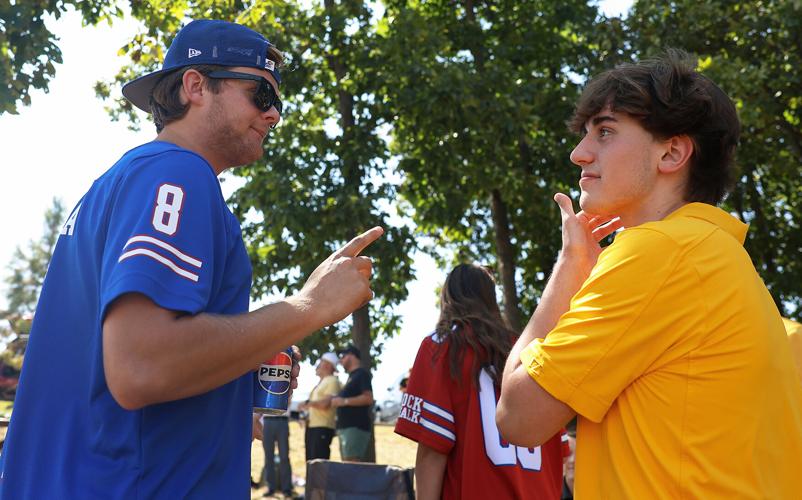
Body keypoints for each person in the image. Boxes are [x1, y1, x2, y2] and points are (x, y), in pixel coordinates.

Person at [0, 19, 383, 498]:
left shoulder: (125, 180)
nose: (274, 115)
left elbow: (118, 380)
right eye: (261, 94)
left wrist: (229, 388)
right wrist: (308, 308)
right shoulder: (177, 174)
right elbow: (142, 367)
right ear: (196, 85)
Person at [496, 50, 802, 498]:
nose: (579, 154)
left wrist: (570, 268)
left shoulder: (659, 252)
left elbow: (517, 418)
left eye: (605, 132)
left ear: (672, 151)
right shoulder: (719, 257)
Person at [395, 264, 567, 499]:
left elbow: (432, 450)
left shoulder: (442, 346)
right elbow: (559, 450)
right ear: (491, 299)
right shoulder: (527, 350)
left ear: (448, 298)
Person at [330, 344, 373, 462]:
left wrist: (343, 401)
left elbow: (368, 398)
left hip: (355, 427)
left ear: (351, 355)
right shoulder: (351, 377)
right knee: (348, 465)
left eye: (342, 356)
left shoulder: (362, 374)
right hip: (346, 428)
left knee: (351, 466)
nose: (340, 360)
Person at [299, 352, 341, 460]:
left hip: (322, 427)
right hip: (313, 427)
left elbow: (325, 404)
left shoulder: (332, 381)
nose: (318, 365)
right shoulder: (322, 382)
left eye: (321, 362)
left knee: (318, 463)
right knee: (311, 462)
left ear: (328, 365)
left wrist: (308, 404)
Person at [262, 409, 293, 498]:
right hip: (267, 421)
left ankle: (287, 489)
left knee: (284, 457)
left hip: (282, 420)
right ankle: (270, 488)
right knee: (268, 457)